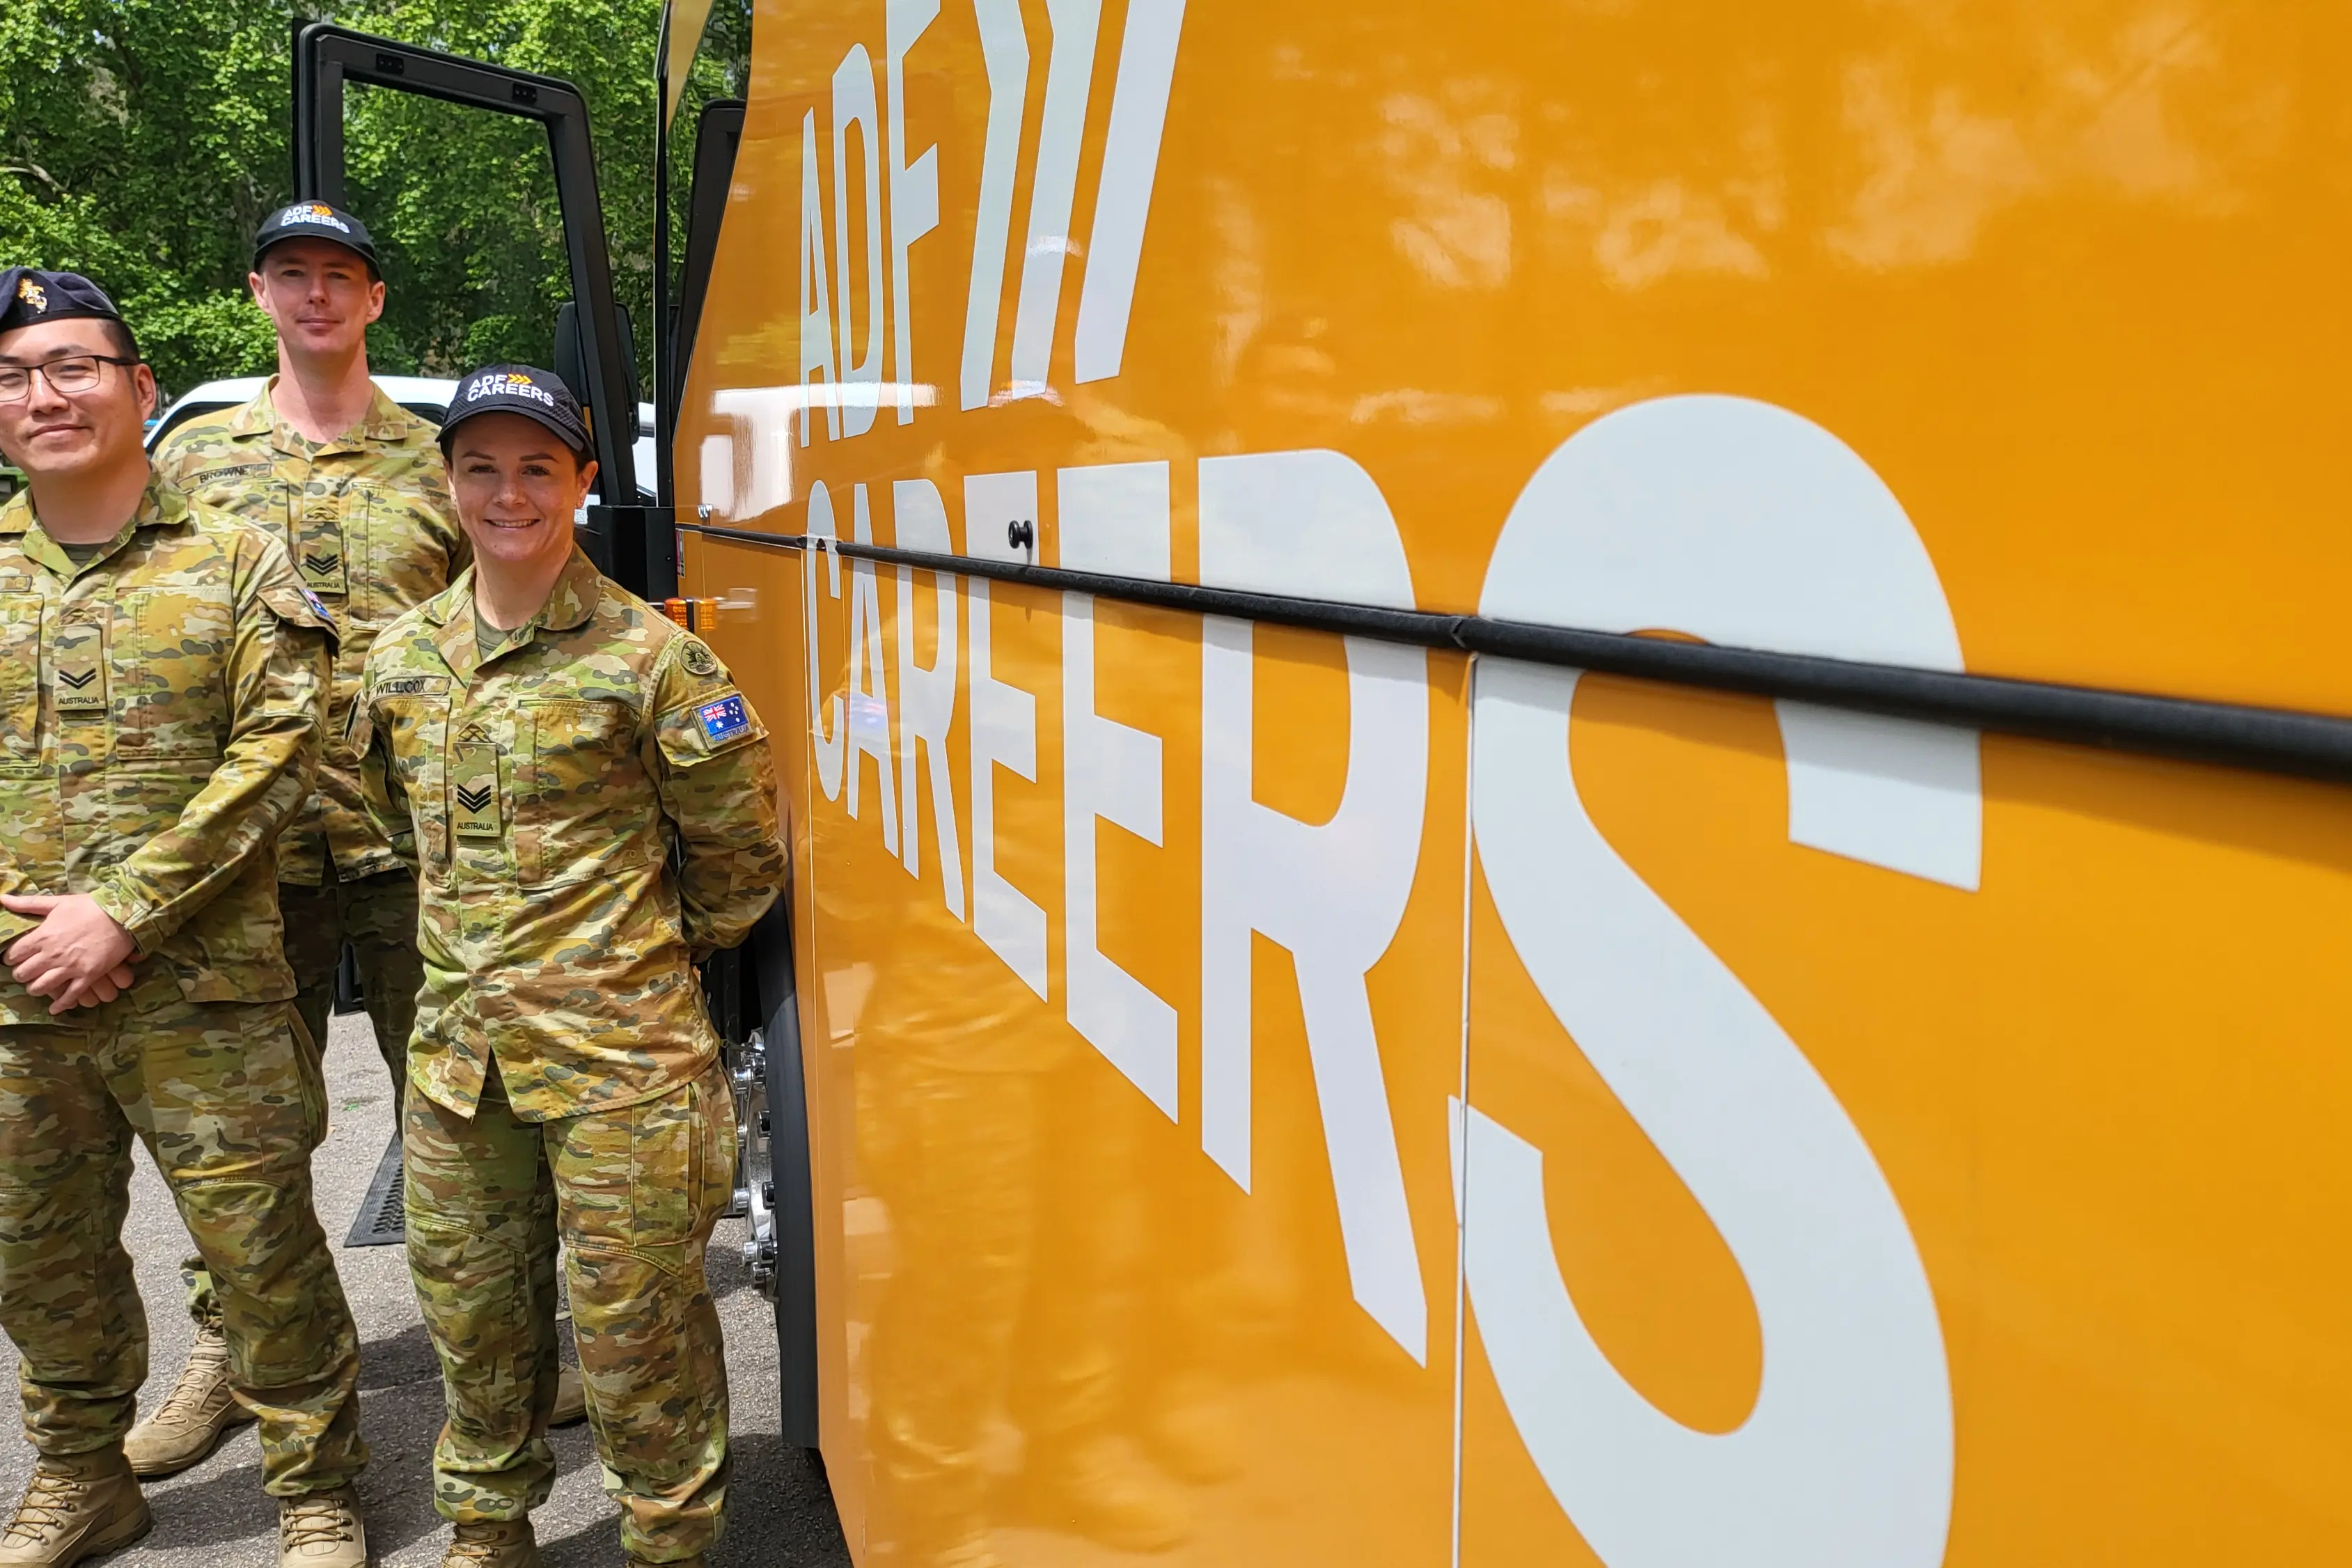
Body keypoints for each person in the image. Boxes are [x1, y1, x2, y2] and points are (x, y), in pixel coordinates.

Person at [352, 365, 783, 1568]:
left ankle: (666, 1543)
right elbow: (395, 826)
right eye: (481, 467)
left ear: (583, 485)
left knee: (637, 1337)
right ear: (447, 484)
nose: (507, 493)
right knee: (475, 1326)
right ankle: (487, 1532)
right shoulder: (397, 662)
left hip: (622, 1070)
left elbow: (741, 858)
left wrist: (629, 963)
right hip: (459, 1074)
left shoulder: (657, 664)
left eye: (537, 467)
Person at [134, 201, 512, 1476]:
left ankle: (507, 1344)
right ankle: (234, 1356)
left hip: (412, 839)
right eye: (290, 274)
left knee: (466, 1108)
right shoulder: (192, 462)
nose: (314, 296)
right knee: (238, 1129)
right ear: (256, 293)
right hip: (246, 857)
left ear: (373, 302)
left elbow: (498, 627)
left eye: (337, 276)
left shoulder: (438, 462)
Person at [0, 268, 368, 1568]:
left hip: (205, 993)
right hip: (15, 1000)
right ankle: (81, 1476)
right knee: (41, 1266)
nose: (45, 395)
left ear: (138, 389)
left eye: (74, 366)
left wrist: (122, 915)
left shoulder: (232, 558)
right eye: (15, 375)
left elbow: (282, 751)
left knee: (261, 1255)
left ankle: (315, 1493)